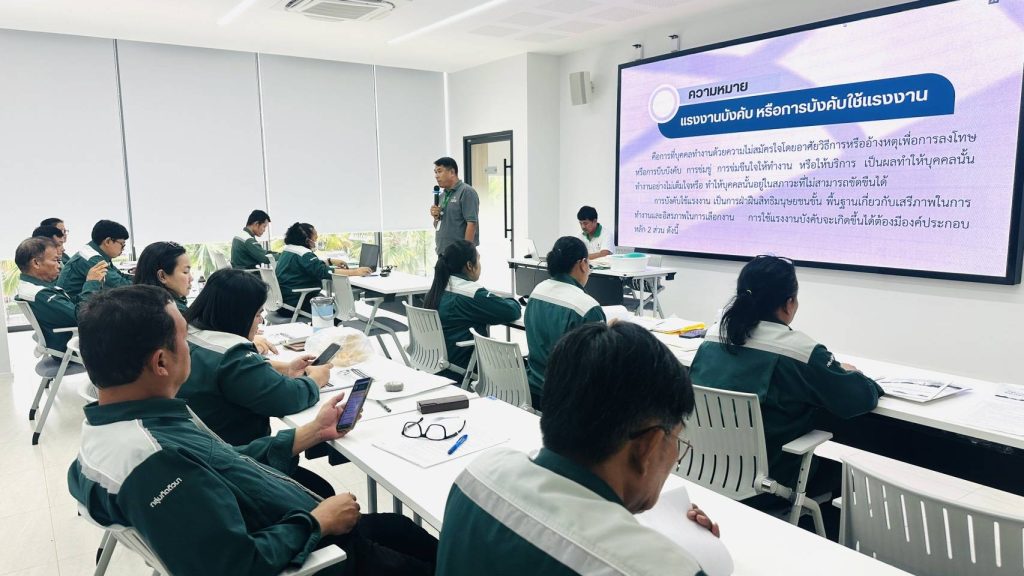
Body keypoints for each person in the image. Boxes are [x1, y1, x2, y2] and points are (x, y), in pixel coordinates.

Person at [69, 285, 438, 575]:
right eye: (185, 338)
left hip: (301, 528)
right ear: (161, 361)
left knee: (400, 528)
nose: (193, 346)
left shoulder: (121, 426)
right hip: (323, 556)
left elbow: (224, 461)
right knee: (441, 557)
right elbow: (232, 565)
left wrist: (312, 432)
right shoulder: (154, 462)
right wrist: (317, 523)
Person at [436, 322, 720, 575]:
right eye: (677, 440)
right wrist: (685, 562)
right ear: (648, 446)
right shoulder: (661, 568)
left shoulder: (478, 475)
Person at [688, 255, 883, 489]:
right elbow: (858, 399)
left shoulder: (713, 337)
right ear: (789, 303)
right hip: (769, 482)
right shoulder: (801, 351)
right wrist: (852, 374)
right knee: (845, 473)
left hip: (704, 471)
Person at [179, 269, 333, 496]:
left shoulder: (187, 335)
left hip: (200, 458)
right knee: (322, 491)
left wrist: (285, 369)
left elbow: (237, 375)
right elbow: (287, 398)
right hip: (238, 465)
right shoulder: (232, 354)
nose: (260, 321)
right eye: (258, 314)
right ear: (238, 315)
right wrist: (315, 380)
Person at [524, 236, 605, 410]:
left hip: (534, 391)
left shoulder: (537, 292)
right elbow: (600, 366)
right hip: (568, 402)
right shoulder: (587, 307)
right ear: (582, 264)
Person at [422, 240, 521, 374]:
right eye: (478, 260)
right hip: (461, 369)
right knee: (520, 363)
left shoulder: (436, 290)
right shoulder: (471, 294)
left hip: (434, 364)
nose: (480, 265)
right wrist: (510, 300)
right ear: (469, 265)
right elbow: (512, 311)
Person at [14, 237, 105, 353]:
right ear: (36, 263)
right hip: (76, 345)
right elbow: (82, 316)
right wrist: (91, 283)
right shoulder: (40, 293)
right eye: (55, 260)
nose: (60, 265)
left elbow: (71, 306)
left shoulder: (32, 287)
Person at [275, 223, 370, 316]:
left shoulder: (289, 250)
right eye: (315, 238)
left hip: (284, 303)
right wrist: (356, 272)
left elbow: (309, 266)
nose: (316, 240)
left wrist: (330, 261)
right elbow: (324, 272)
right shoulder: (304, 254)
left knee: (327, 302)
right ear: (307, 240)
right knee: (337, 314)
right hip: (296, 304)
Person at [57, 219, 131, 300]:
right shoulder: (91, 259)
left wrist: (139, 276)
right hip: (76, 305)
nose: (123, 248)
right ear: (107, 241)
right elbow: (121, 287)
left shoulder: (96, 253)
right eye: (122, 244)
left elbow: (120, 276)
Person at [429, 157, 479, 256]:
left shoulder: (466, 191)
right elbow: (438, 226)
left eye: (439, 171)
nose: (436, 176)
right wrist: (436, 217)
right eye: (435, 172)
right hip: (442, 252)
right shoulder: (442, 196)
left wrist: (465, 253)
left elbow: (472, 223)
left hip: (459, 254)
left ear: (452, 172)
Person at [133, 241, 193, 313]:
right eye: (185, 272)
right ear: (162, 276)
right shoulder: (175, 312)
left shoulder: (133, 303)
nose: (191, 279)